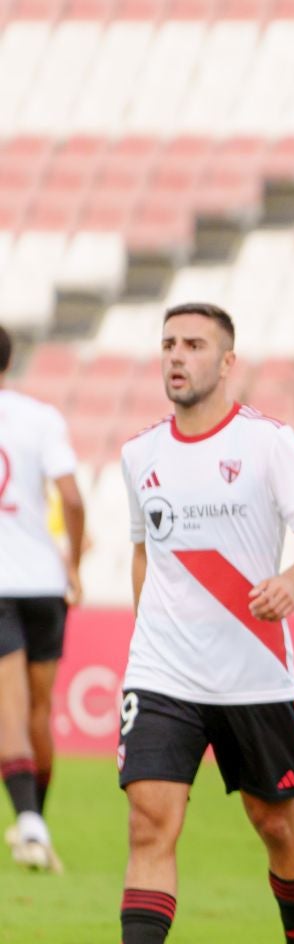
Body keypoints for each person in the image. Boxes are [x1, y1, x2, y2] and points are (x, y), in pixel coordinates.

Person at [56, 302, 294, 944]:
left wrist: (293, 582)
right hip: (163, 673)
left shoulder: (269, 444)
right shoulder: (139, 454)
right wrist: (146, 640)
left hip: (253, 674)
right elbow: (145, 552)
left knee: (275, 825)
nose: (176, 357)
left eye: (193, 345)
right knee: (151, 819)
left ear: (226, 361)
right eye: (168, 344)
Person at [0, 323, 86, 874]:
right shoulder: (41, 417)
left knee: (7, 708)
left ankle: (29, 821)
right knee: (37, 709)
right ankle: (36, 822)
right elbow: (73, 499)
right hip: (45, 582)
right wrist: (72, 563)